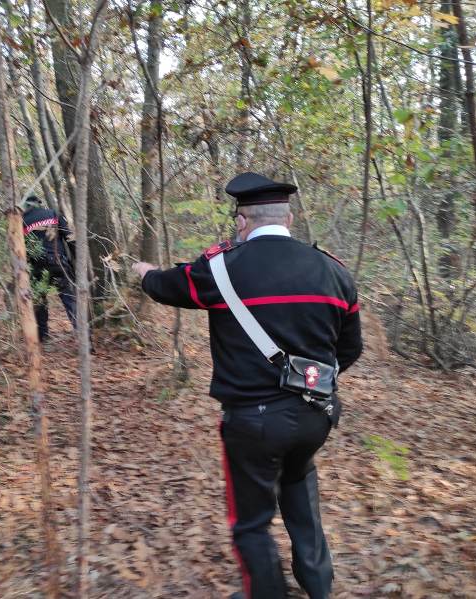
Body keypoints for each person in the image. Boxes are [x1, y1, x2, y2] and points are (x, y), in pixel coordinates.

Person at [132, 172, 362, 599]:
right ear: (288, 218)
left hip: (252, 423)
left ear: (242, 222)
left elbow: (167, 287)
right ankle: (318, 588)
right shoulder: (334, 271)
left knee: (251, 523)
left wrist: (144, 273)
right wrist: (308, 384)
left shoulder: (221, 268)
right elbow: (349, 349)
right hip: (315, 414)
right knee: (299, 489)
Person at [22, 195, 77, 342]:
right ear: (39, 204)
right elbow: (70, 239)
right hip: (58, 264)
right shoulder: (53, 214)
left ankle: (42, 336)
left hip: (37, 268)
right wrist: (77, 260)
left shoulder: (22, 222)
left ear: (26, 206)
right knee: (69, 299)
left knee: (40, 302)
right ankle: (84, 336)